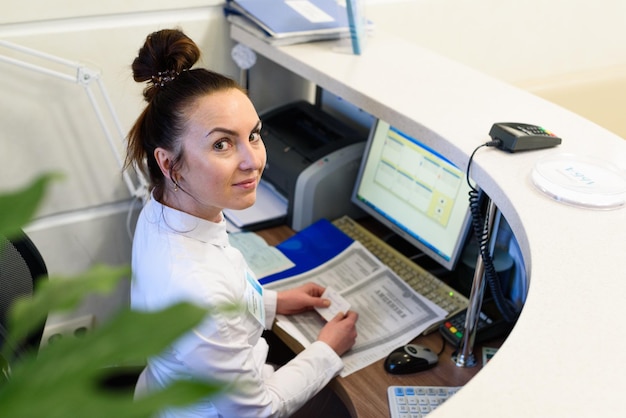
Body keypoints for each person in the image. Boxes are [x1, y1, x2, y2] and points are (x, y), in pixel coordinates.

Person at [124, 28, 359, 418]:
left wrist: (273, 303)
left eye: (253, 135)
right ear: (169, 163)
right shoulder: (196, 286)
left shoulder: (164, 209)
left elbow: (219, 308)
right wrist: (326, 350)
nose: (252, 160)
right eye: (222, 144)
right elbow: (256, 411)